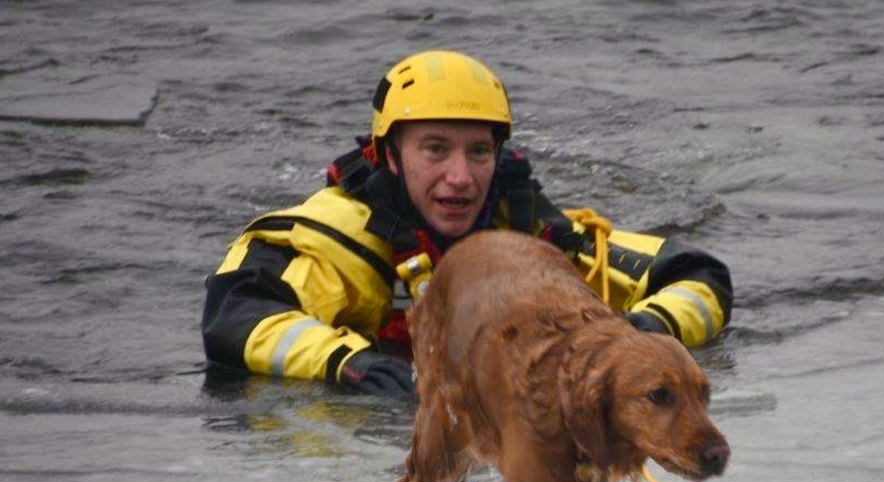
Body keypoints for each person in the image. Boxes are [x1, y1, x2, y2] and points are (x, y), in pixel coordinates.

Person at [202, 50, 732, 401]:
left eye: (478, 152)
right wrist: (351, 364)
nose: (460, 178)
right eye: (435, 149)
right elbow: (235, 315)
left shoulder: (531, 236)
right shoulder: (336, 236)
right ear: (388, 154)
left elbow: (698, 275)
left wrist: (640, 334)